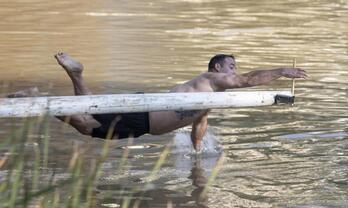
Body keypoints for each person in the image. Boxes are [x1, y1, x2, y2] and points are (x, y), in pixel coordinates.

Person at [9, 53, 307, 151]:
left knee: (88, 113)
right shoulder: (214, 78)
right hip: (146, 116)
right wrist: (281, 71)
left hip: (144, 114)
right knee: (86, 126)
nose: (235, 71)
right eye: (230, 65)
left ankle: (75, 76)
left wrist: (197, 150)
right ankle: (39, 98)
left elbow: (199, 121)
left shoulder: (210, 95)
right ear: (216, 67)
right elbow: (247, 80)